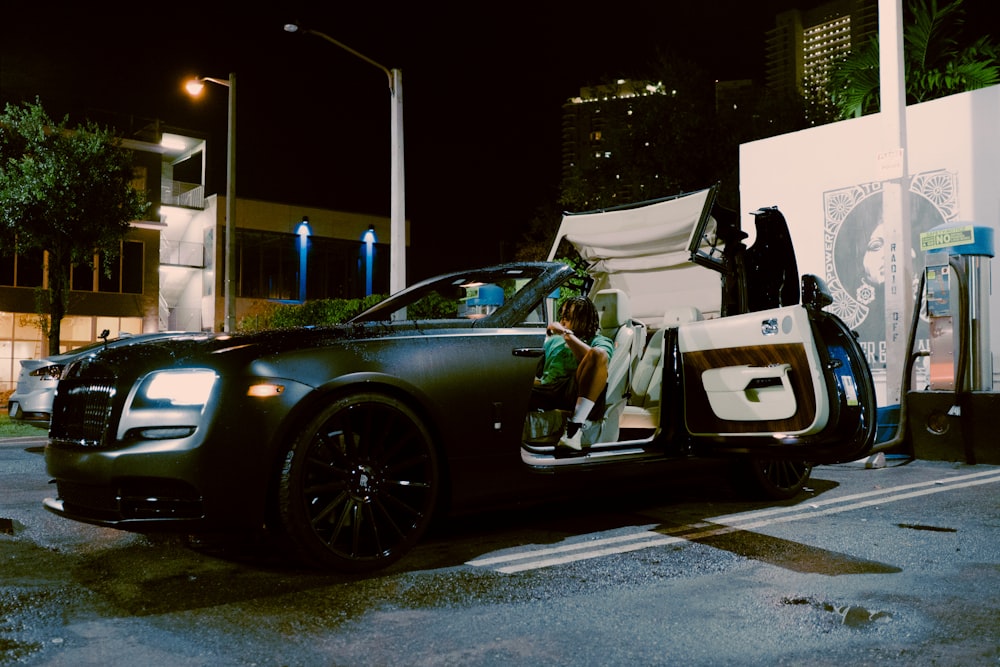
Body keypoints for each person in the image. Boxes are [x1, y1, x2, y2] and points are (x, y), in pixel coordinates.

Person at [529, 295, 614, 450]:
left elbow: (599, 360)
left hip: (574, 392)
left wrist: (566, 335)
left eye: (567, 318)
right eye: (562, 317)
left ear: (584, 319)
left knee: (597, 354)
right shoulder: (554, 341)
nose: (562, 321)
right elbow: (539, 375)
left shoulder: (599, 341)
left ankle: (574, 429)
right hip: (550, 389)